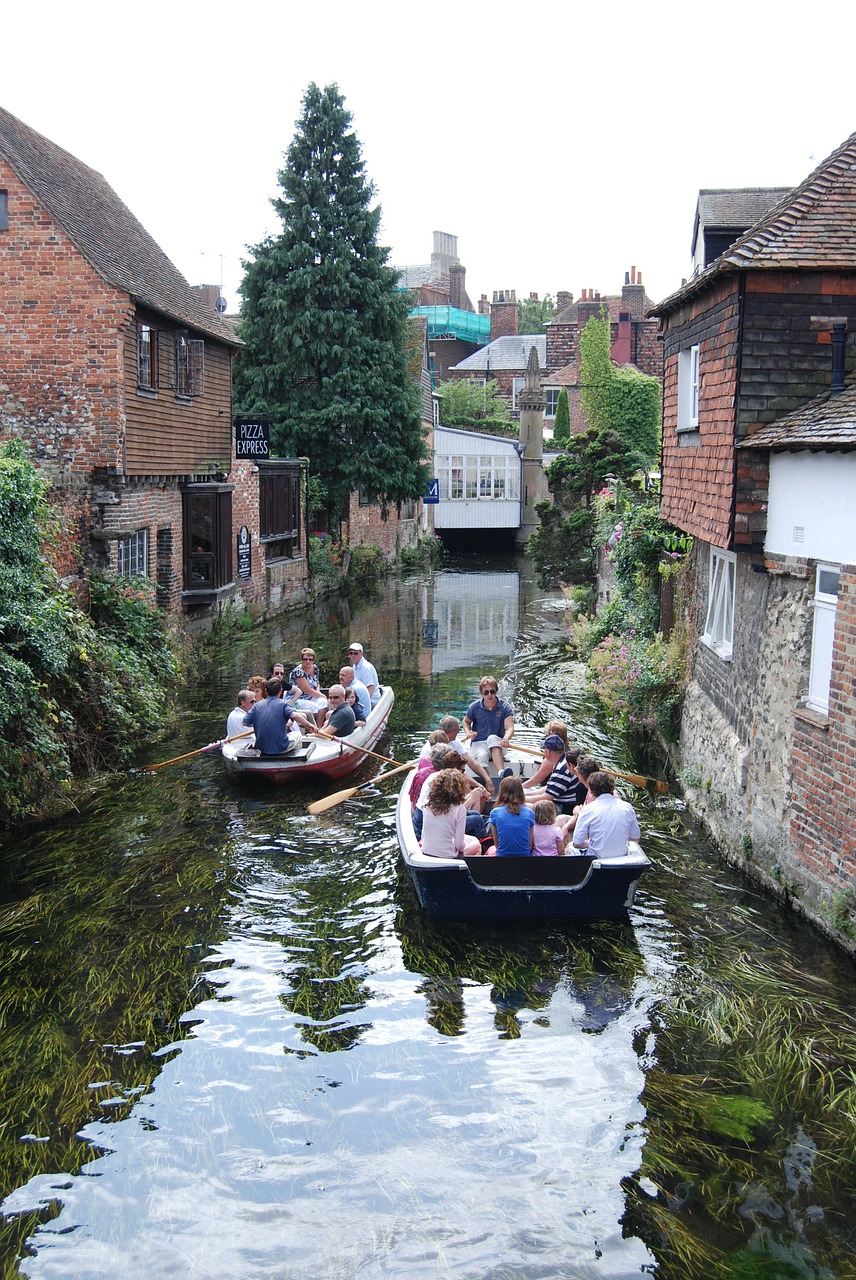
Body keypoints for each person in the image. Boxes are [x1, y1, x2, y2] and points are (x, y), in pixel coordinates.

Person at [413, 748, 489, 840]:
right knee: (477, 820)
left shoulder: (439, 777)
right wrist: (471, 799)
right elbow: (451, 814)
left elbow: (451, 809)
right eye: (462, 771)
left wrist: (471, 796)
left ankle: (473, 840)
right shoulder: (447, 783)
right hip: (431, 823)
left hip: (435, 817)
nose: (463, 774)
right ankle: (481, 845)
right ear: (454, 769)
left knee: (474, 814)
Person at [571, 772, 641, 859]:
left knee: (569, 848)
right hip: (622, 859)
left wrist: (591, 843)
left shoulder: (588, 810)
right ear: (612, 788)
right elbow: (635, 838)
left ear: (591, 791)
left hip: (597, 860)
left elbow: (577, 843)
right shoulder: (627, 807)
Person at [419, 769, 483, 860]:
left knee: (469, 838)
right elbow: (460, 846)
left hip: (426, 850)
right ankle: (471, 871)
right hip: (448, 855)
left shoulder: (427, 803)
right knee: (477, 845)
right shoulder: (459, 809)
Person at [419, 715, 493, 792]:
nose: (457, 733)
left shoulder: (455, 742)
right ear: (451, 732)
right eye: (457, 731)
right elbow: (452, 774)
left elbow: (471, 763)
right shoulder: (430, 749)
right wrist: (480, 787)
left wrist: (488, 780)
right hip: (438, 785)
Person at [463, 676, 514, 774]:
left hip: (498, 744)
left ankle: (501, 772)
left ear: (496, 691)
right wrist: (468, 732)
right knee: (482, 755)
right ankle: (488, 781)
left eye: (492, 691)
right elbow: (466, 722)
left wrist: (506, 738)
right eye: (486, 692)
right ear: (481, 693)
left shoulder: (504, 707)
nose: (489, 695)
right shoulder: (474, 707)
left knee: (492, 738)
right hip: (479, 743)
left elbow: (510, 727)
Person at [523, 734, 580, 819]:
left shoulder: (561, 770)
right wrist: (528, 794)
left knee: (521, 806)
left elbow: (546, 797)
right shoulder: (563, 761)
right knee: (527, 795)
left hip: (562, 808)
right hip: (561, 802)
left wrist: (521, 799)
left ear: (548, 752)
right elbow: (549, 787)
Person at [242, 678, 300, 755]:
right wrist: (310, 725)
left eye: (257, 691)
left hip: (262, 748)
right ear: (280, 691)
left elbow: (245, 722)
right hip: (280, 747)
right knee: (298, 735)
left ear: (265, 691)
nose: (254, 694)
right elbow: (294, 715)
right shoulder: (283, 704)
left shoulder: (256, 706)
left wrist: (258, 723)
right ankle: (295, 758)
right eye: (252, 691)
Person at [486, 776, 535, 857]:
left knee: (490, 849)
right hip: (525, 857)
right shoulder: (530, 813)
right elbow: (530, 845)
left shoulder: (494, 813)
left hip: (502, 857)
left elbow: (497, 845)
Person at [288, 647, 328, 725]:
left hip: (311, 696)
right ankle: (310, 729)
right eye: (305, 659)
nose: (308, 661)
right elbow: (307, 690)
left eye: (310, 659)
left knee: (323, 702)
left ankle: (319, 728)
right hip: (297, 698)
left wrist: (318, 693)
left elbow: (317, 683)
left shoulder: (315, 668)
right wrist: (320, 695)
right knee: (313, 707)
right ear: (301, 660)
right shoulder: (298, 672)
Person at [524, 720, 569, 789]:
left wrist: (519, 787)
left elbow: (537, 779)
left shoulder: (552, 758)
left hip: (549, 788)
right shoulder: (566, 750)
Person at [347, 642, 381, 707]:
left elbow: (370, 688)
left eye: (355, 653)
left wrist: (365, 706)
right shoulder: (355, 666)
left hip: (372, 702)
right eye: (351, 653)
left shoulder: (365, 668)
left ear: (361, 654)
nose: (353, 656)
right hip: (358, 699)